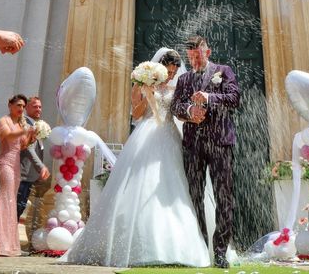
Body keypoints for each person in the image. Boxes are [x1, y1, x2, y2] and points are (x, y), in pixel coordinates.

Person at [65, 49, 210, 267]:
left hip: (170, 136)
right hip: (146, 136)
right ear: (159, 69)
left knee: (173, 187)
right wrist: (148, 92)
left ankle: (176, 245)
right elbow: (137, 114)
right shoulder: (141, 85)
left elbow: (178, 110)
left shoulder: (178, 86)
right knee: (142, 184)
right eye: (169, 72)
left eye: (174, 72)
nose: (171, 75)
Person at [171, 36, 241, 269]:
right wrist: (190, 111)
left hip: (221, 143)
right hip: (192, 146)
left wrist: (210, 97)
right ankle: (200, 246)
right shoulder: (183, 79)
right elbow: (175, 107)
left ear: (207, 52)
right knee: (194, 197)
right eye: (191, 56)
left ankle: (220, 251)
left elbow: (234, 99)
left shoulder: (224, 71)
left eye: (198, 54)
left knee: (224, 197)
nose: (195, 59)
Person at [0, 94, 36, 256]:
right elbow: (7, 136)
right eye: (19, 105)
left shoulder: (19, 123)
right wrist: (24, 130)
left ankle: (8, 243)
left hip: (16, 165)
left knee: (11, 201)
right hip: (5, 163)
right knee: (4, 199)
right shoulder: (4, 121)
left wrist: (31, 137)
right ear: (10, 105)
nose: (21, 109)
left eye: (23, 106)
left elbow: (21, 146)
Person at [16, 97, 50, 229]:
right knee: (18, 205)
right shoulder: (24, 124)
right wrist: (41, 167)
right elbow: (29, 149)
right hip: (22, 172)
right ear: (27, 108)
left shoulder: (36, 125)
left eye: (40, 107)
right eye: (35, 106)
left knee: (22, 205)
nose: (39, 109)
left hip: (30, 175)